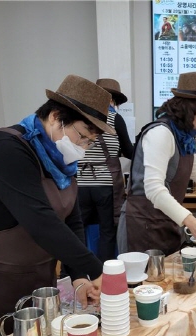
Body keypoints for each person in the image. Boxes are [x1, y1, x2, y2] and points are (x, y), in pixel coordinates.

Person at [0, 74, 107, 336]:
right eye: (82, 136)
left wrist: (79, 277)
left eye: (89, 142)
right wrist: (97, 269)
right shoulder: (5, 149)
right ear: (54, 117)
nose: (82, 148)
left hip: (39, 273)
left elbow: (71, 219)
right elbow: (40, 220)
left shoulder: (59, 160)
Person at [117, 71, 196, 256]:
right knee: (143, 283)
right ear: (190, 108)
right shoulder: (161, 133)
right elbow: (154, 189)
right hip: (143, 224)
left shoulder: (184, 135)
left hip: (166, 220)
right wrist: (193, 223)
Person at [76, 78, 134, 262]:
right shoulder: (115, 118)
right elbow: (130, 151)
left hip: (80, 183)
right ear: (112, 100)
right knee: (107, 231)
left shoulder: (79, 116)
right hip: (105, 184)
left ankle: (74, 274)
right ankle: (104, 274)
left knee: (78, 229)